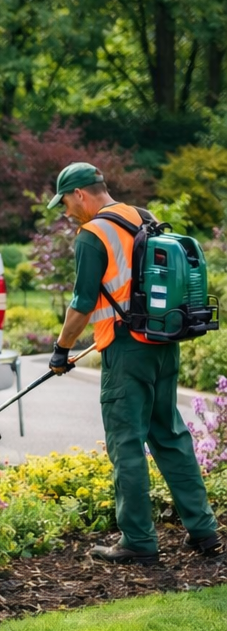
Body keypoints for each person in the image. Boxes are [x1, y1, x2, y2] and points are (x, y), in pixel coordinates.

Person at [46, 163, 222, 564]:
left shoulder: (92, 235)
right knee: (171, 435)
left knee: (126, 444)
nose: (67, 213)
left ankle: (138, 541)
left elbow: (82, 303)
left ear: (80, 194)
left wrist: (61, 349)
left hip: (127, 353)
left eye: (66, 204)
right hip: (163, 340)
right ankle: (205, 531)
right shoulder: (144, 217)